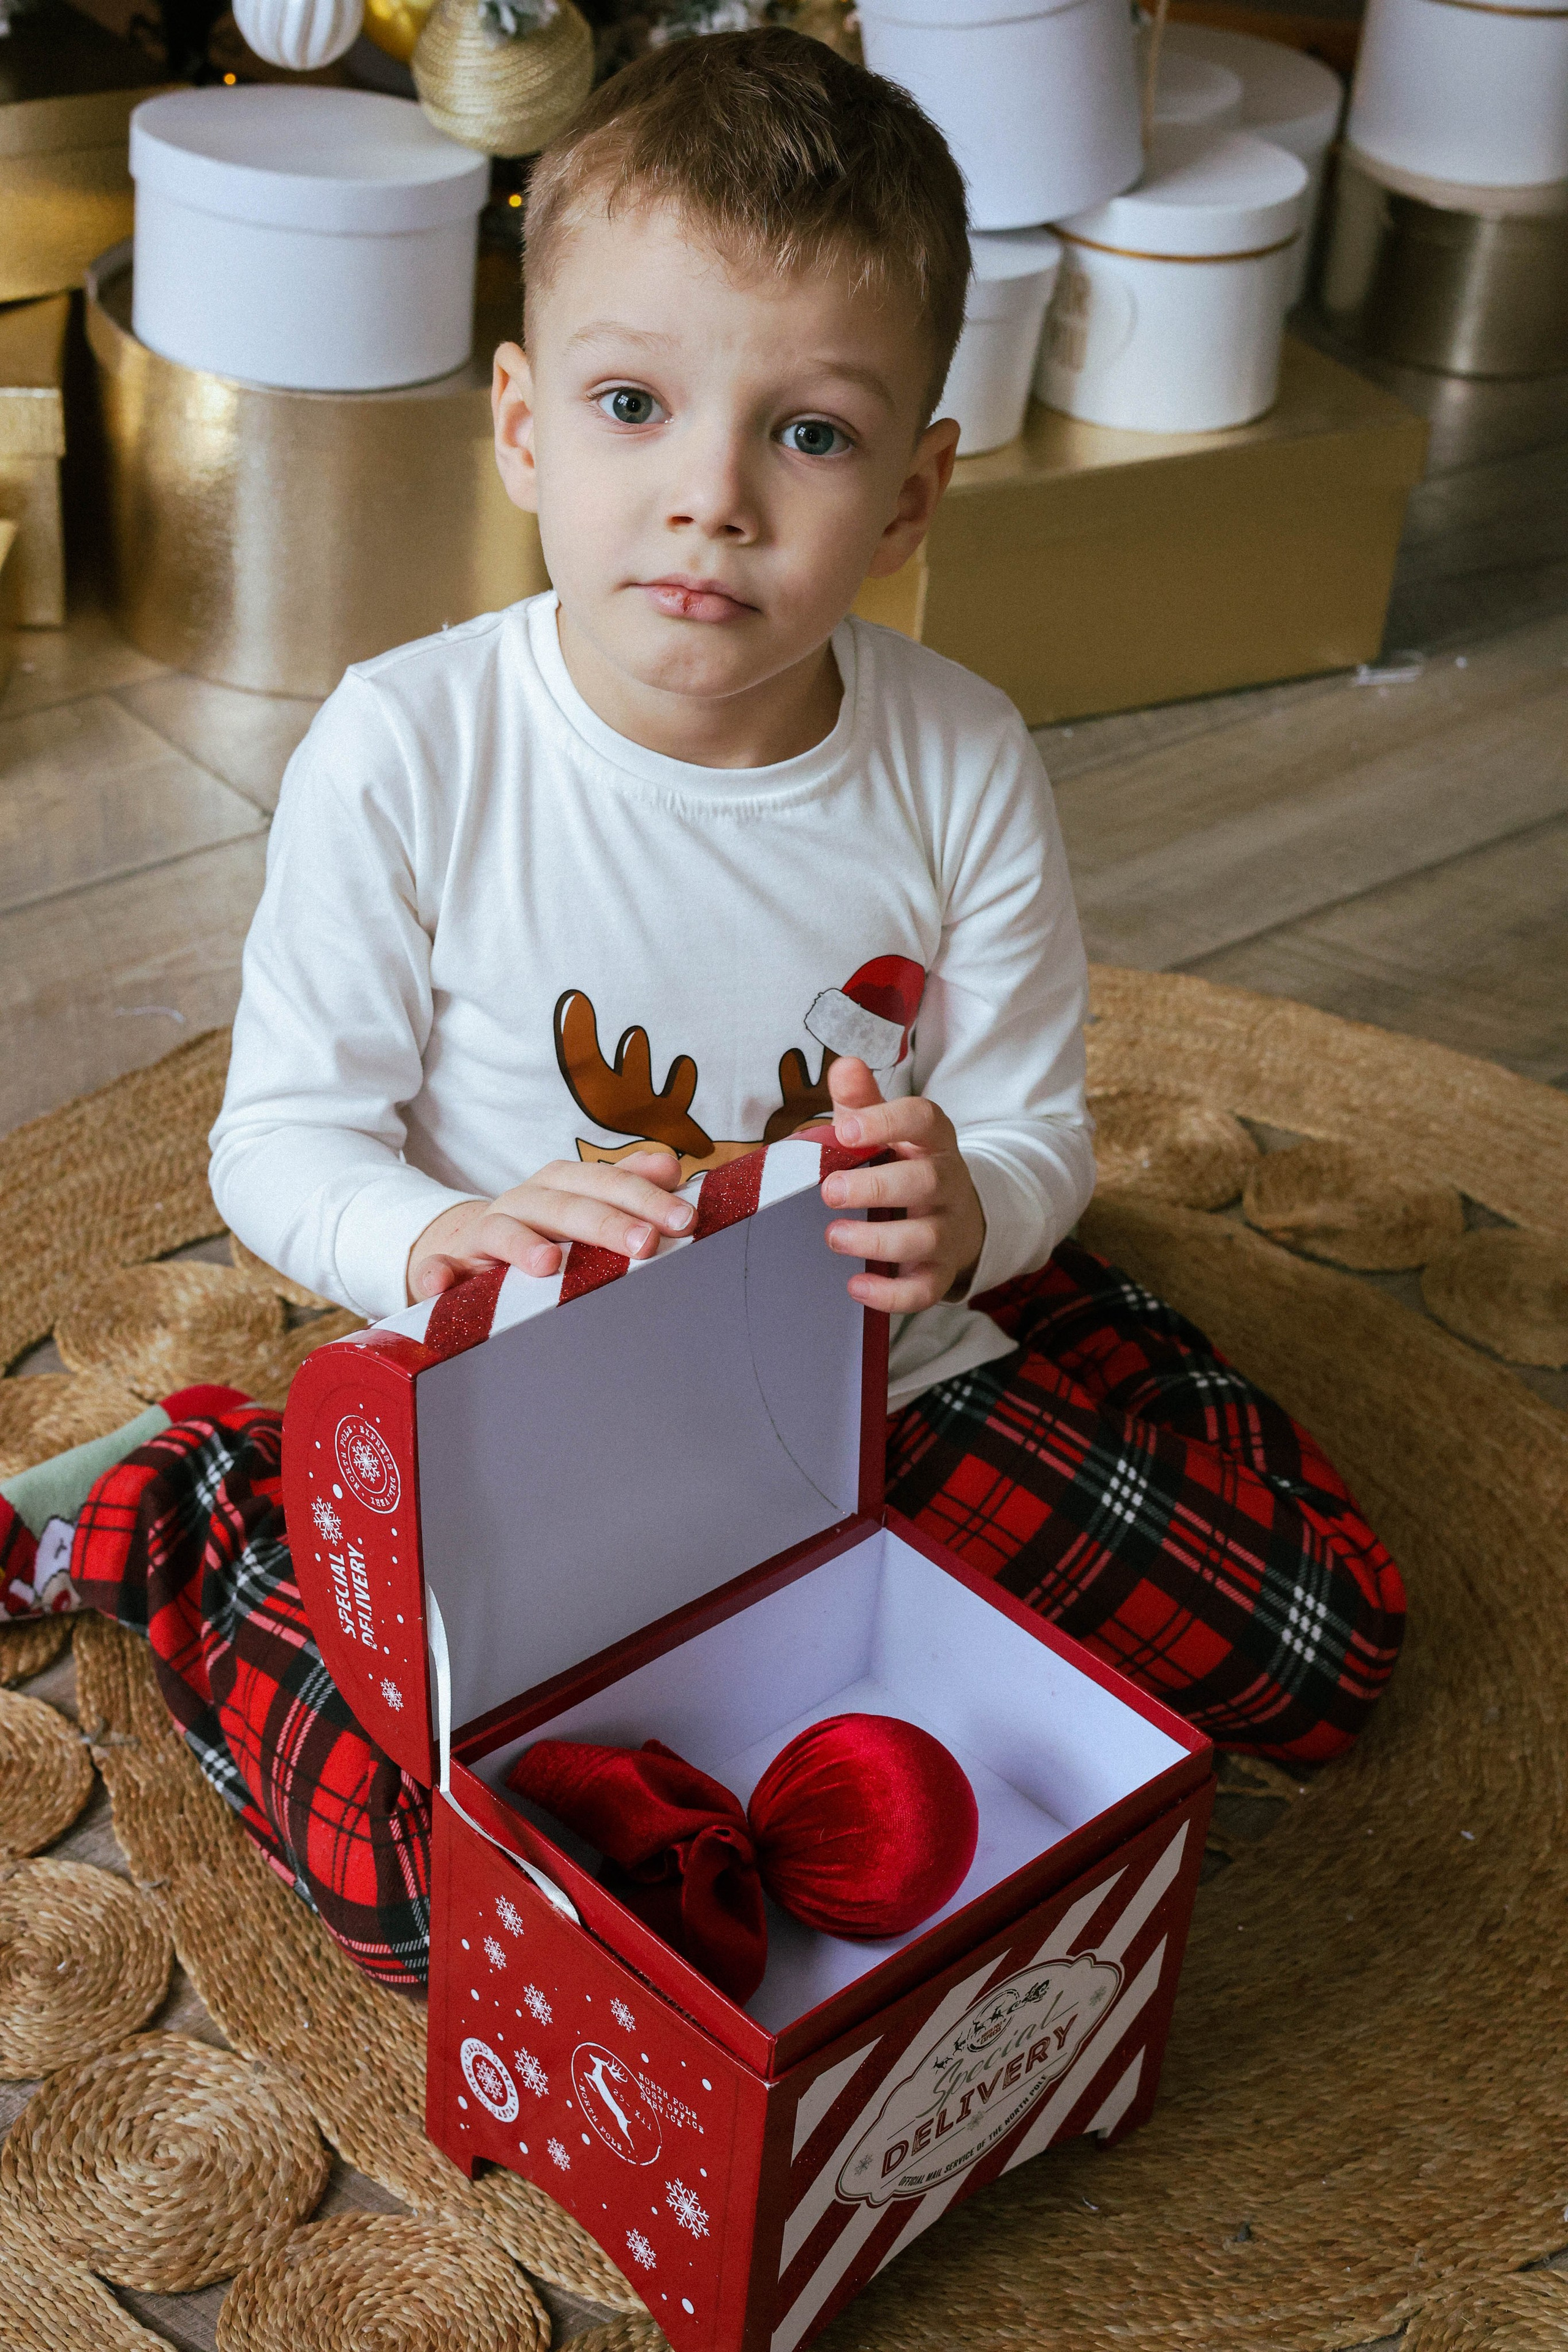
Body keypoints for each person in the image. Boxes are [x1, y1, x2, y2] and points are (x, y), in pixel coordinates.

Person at [0, 30, 1403, 1990]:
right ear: (521, 427)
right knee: (452, 1912)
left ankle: (1092, 1351)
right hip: (514, 1408)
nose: (711, 501)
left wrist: (977, 1208)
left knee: (1320, 1661)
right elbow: (279, 1143)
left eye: (808, 436)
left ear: (914, 492)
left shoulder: (962, 760)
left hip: (855, 1376)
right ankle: (198, 1497)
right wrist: (439, 1235)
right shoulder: (411, 748)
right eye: (635, 405)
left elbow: (1028, 1123)